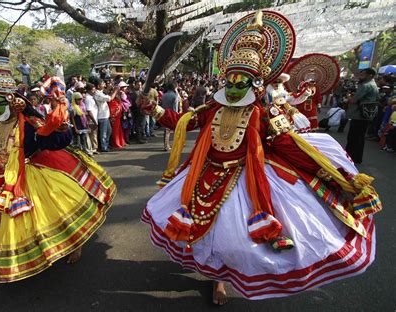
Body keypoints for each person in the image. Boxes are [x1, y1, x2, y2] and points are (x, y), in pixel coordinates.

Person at [139, 10, 380, 305]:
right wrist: (152, 108)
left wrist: (336, 176)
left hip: (246, 178)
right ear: (225, 77)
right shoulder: (213, 108)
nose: (235, 84)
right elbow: (181, 122)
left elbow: (289, 146)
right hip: (205, 174)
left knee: (235, 242)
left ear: (255, 83)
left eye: (243, 79)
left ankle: (224, 280)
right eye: (231, 78)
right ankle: (217, 279)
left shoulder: (261, 113)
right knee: (209, 237)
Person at [0, 49, 116, 282]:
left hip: (28, 175)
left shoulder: (28, 124)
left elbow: (55, 141)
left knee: (55, 216)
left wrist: (59, 124)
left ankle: (74, 244)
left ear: (13, 101)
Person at [345, 68, 379, 164]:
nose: (360, 76)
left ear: (370, 75)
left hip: (359, 115)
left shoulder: (365, 85)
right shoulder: (373, 85)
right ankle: (356, 158)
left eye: (363, 74)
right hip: (366, 115)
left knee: (353, 137)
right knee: (359, 137)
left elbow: (354, 100)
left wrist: (348, 97)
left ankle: (349, 157)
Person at [93, 79, 117, 152]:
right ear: (98, 86)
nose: (104, 84)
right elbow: (110, 98)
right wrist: (115, 91)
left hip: (105, 116)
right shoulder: (97, 94)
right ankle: (104, 147)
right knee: (103, 133)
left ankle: (106, 144)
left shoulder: (100, 92)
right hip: (102, 116)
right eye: (102, 83)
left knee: (109, 131)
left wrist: (111, 88)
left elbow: (106, 93)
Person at [160, 81, 180, 150]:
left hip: (165, 113)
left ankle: (166, 145)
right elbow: (175, 107)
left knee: (166, 130)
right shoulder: (175, 96)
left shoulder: (163, 95)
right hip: (172, 114)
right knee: (176, 130)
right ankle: (176, 144)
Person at [84, 83, 99, 153]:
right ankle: (92, 149)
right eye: (93, 90)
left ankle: (94, 148)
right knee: (91, 135)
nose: (94, 91)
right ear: (89, 90)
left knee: (94, 135)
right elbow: (89, 111)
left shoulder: (91, 97)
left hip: (94, 118)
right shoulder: (88, 99)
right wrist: (94, 121)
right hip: (91, 120)